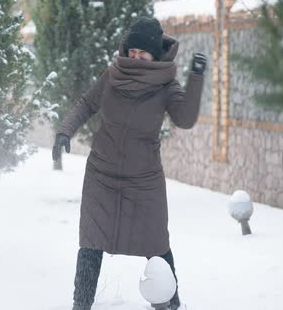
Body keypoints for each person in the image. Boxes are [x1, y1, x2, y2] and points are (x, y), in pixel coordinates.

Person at [52, 16, 207, 310]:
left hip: (143, 180)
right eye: (132, 52)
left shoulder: (165, 85)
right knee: (91, 243)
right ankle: (80, 304)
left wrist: (196, 78)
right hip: (102, 175)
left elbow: (185, 119)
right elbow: (87, 104)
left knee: (157, 247)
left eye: (142, 54)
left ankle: (169, 303)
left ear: (155, 55)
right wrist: (64, 131)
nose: (136, 58)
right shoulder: (113, 76)